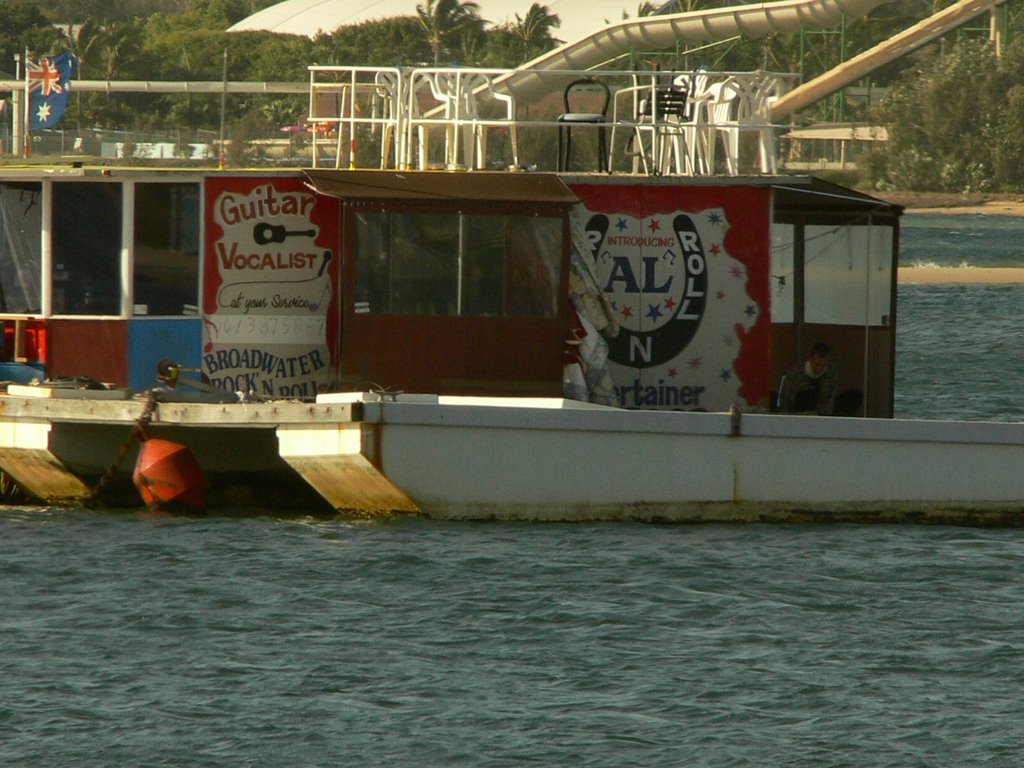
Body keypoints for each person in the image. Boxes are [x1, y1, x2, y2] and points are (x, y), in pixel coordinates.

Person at [777, 342, 840, 415]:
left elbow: (829, 401)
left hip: (820, 417)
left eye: (823, 366)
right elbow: (784, 401)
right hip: (795, 416)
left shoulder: (831, 373)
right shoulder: (794, 374)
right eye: (816, 364)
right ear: (810, 359)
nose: (819, 369)